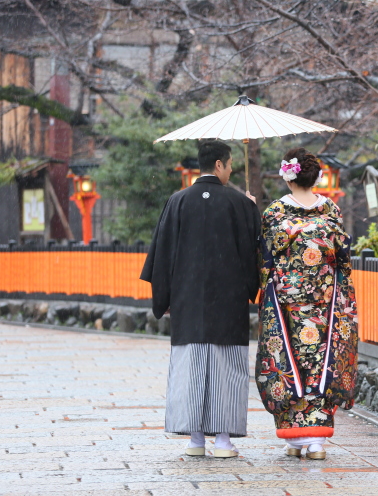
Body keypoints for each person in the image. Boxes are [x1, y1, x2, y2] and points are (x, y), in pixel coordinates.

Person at [140, 140, 261, 458]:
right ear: (219, 165)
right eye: (231, 163)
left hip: (188, 299)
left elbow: (163, 254)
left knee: (190, 365)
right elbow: (253, 256)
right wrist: (251, 210)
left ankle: (195, 440)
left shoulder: (177, 201)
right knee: (227, 367)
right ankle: (223, 440)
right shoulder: (239, 203)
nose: (232, 168)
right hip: (229, 301)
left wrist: (163, 297)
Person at [256, 147, 358, 460]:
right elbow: (344, 259)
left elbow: (265, 260)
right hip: (324, 301)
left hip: (287, 303)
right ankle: (316, 442)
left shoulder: (274, 212)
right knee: (321, 359)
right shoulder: (331, 210)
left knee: (287, 361)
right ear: (314, 177)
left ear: (288, 177)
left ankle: (294, 438)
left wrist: (265, 288)